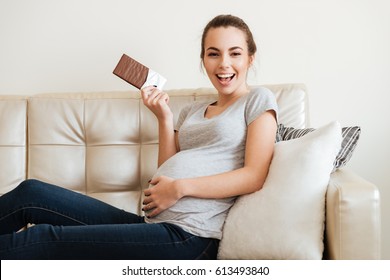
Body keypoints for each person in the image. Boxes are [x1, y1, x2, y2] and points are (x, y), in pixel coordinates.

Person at [0, 14, 278, 260]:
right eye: (213, 54)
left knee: (44, 238)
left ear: (250, 58)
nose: (224, 64)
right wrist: (164, 117)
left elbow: (254, 175)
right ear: (203, 59)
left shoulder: (257, 99)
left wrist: (181, 188)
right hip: (152, 227)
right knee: (32, 193)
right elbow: (165, 169)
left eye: (235, 53)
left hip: (190, 239)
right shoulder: (192, 111)